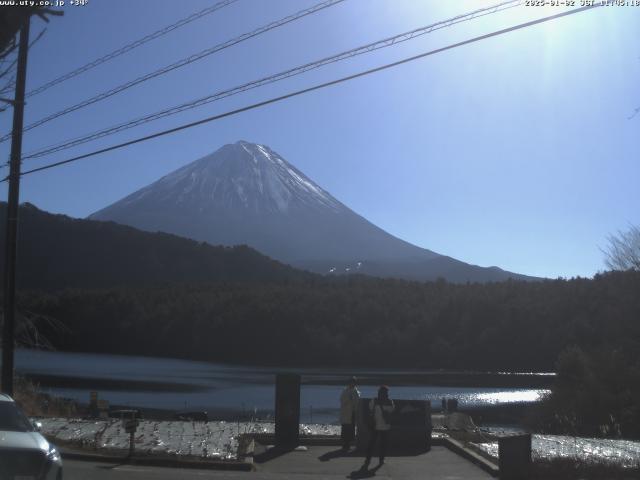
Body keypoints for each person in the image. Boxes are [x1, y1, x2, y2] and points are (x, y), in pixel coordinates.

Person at [365, 385, 394, 467]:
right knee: (383, 444)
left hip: (375, 425)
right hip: (385, 426)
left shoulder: (374, 401)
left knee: (372, 443)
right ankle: (381, 459)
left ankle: (368, 459)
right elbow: (392, 411)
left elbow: (370, 409)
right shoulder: (390, 402)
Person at [340, 376, 360, 451]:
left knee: (350, 428)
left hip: (351, 413)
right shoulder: (347, 391)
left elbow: (357, 402)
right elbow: (343, 400)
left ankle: (347, 444)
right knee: (346, 428)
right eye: (351, 382)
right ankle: (345, 444)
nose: (353, 384)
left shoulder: (354, 391)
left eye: (354, 382)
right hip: (347, 413)